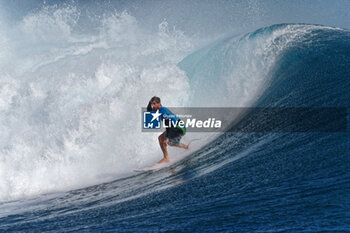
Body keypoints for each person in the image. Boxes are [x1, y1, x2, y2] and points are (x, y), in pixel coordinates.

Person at [147, 96, 188, 163]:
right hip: (178, 127)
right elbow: (149, 110)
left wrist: (167, 138)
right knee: (170, 143)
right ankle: (185, 146)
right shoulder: (157, 110)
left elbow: (168, 125)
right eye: (152, 104)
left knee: (161, 138)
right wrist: (149, 102)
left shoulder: (163, 111)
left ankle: (166, 158)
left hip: (179, 127)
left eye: (154, 104)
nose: (153, 106)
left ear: (159, 104)